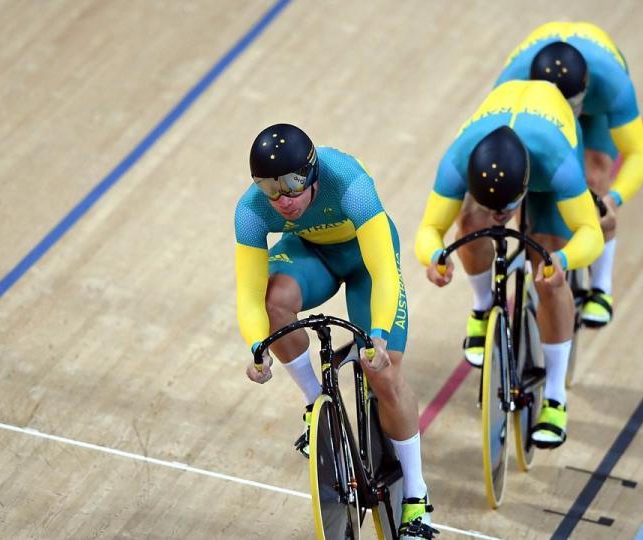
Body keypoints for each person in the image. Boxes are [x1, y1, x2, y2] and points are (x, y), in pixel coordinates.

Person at [235, 123, 437, 539]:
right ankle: (317, 407)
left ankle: (416, 496)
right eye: (270, 188)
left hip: (365, 261)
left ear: (311, 174)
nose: (282, 200)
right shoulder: (252, 209)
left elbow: (383, 271)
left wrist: (379, 334)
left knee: (384, 373)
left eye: (292, 185)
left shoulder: (349, 183)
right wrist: (257, 346)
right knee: (275, 304)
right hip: (311, 256)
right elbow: (249, 293)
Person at [415, 80, 603, 448]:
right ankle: (483, 306)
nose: (502, 216)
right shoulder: (458, 160)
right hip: (501, 129)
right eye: (494, 206)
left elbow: (590, 233)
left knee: (548, 266)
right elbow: (429, 229)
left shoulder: (556, 163)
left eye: (508, 207)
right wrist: (434, 256)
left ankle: (554, 397)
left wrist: (563, 259)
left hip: (551, 136)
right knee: (469, 224)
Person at [496, 22, 643, 327]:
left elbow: (639, 155)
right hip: (535, 112)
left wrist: (612, 199)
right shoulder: (512, 83)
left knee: (594, 176)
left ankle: (601, 287)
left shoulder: (611, 84)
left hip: (593, 113)